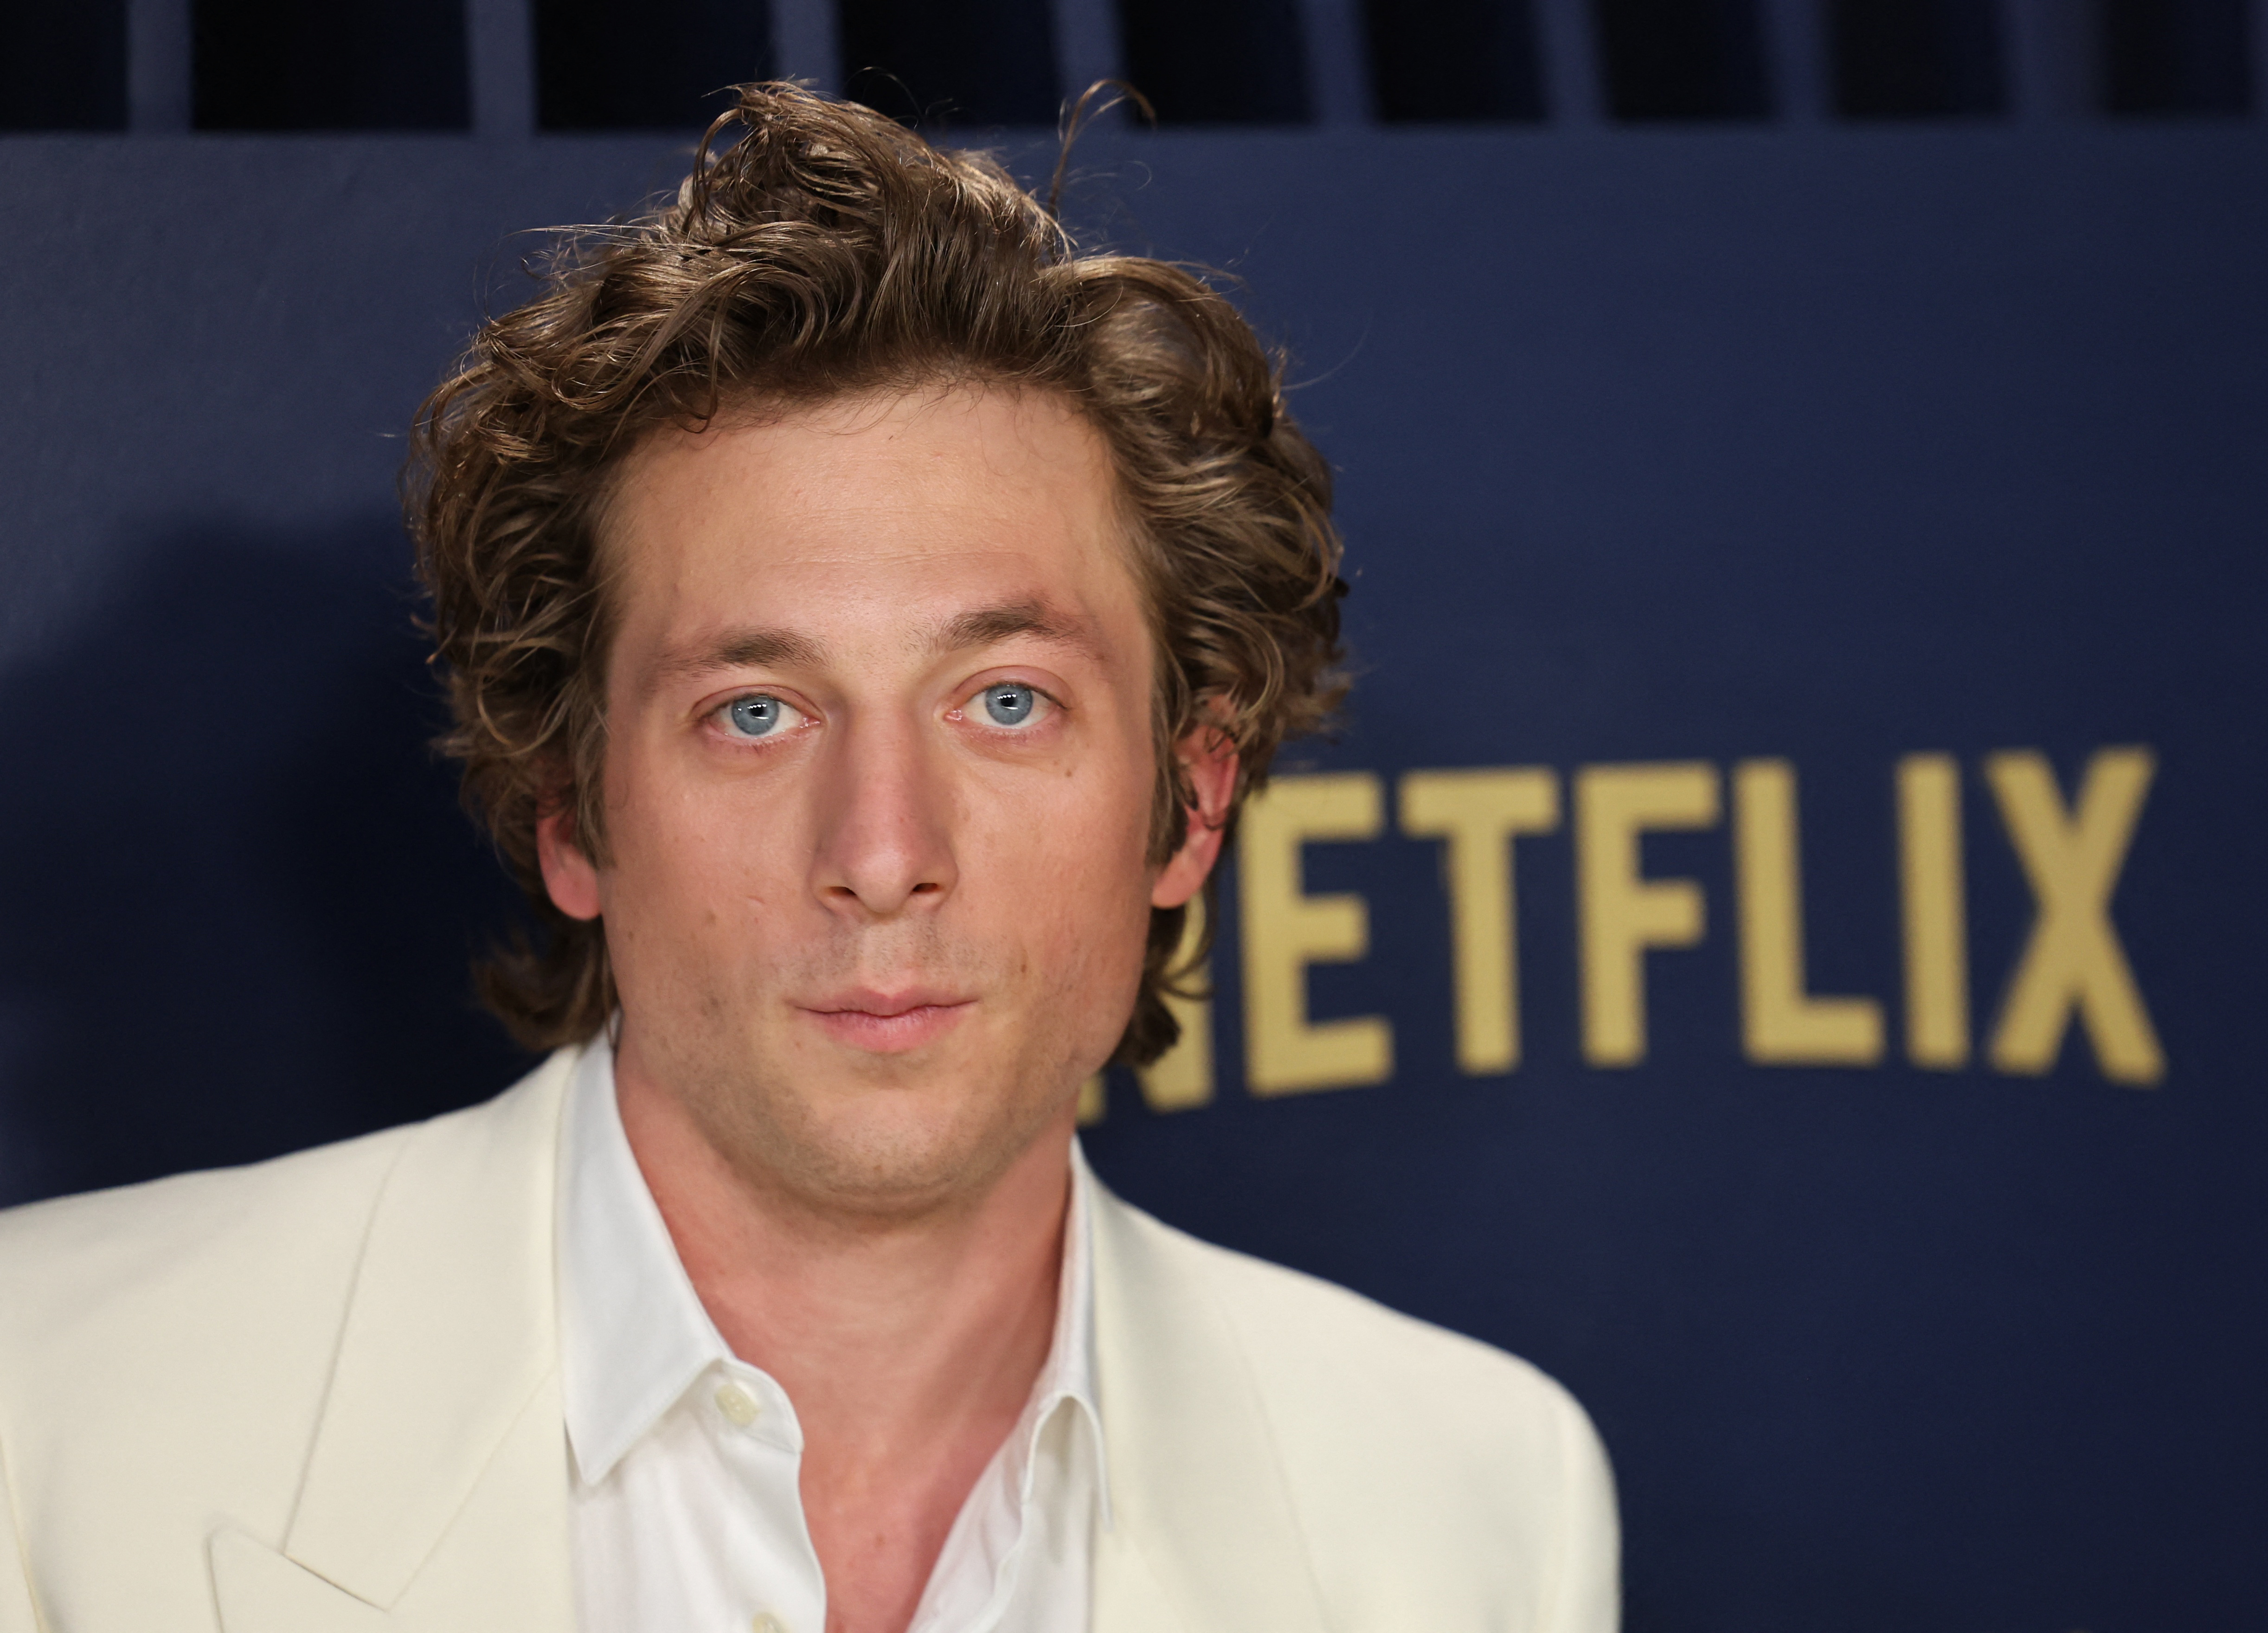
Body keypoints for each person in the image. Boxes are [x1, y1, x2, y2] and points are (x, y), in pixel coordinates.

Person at [0, 85, 1616, 1633]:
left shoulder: (1474, 1499)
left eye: (1003, 701)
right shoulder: (44, 1405)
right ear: (573, 813)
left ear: (1186, 808)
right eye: (756, 711)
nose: (884, 854)